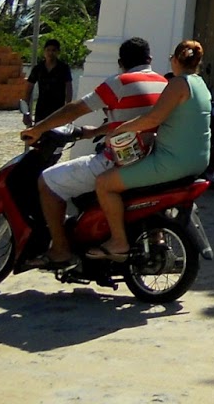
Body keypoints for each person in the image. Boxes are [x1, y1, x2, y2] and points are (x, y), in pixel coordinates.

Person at [20, 36, 167, 264]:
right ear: (149, 59)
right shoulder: (163, 84)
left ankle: (60, 250)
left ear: (120, 63)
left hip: (117, 160)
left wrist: (38, 129)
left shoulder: (120, 82)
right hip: (150, 158)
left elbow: (75, 109)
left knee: (47, 182)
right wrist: (94, 131)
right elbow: (134, 120)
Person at [86, 40, 213, 261]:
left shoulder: (178, 84)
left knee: (104, 183)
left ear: (175, 60)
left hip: (172, 162)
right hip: (197, 161)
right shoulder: (199, 83)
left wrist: (120, 129)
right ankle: (153, 234)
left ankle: (118, 242)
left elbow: (153, 118)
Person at [26, 38, 74, 126]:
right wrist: (26, 112)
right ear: (44, 51)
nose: (50, 53)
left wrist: (68, 110)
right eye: (48, 50)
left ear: (58, 52)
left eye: (53, 50)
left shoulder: (63, 68)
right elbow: (28, 89)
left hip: (58, 109)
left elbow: (69, 89)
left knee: (57, 132)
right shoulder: (38, 69)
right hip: (41, 108)